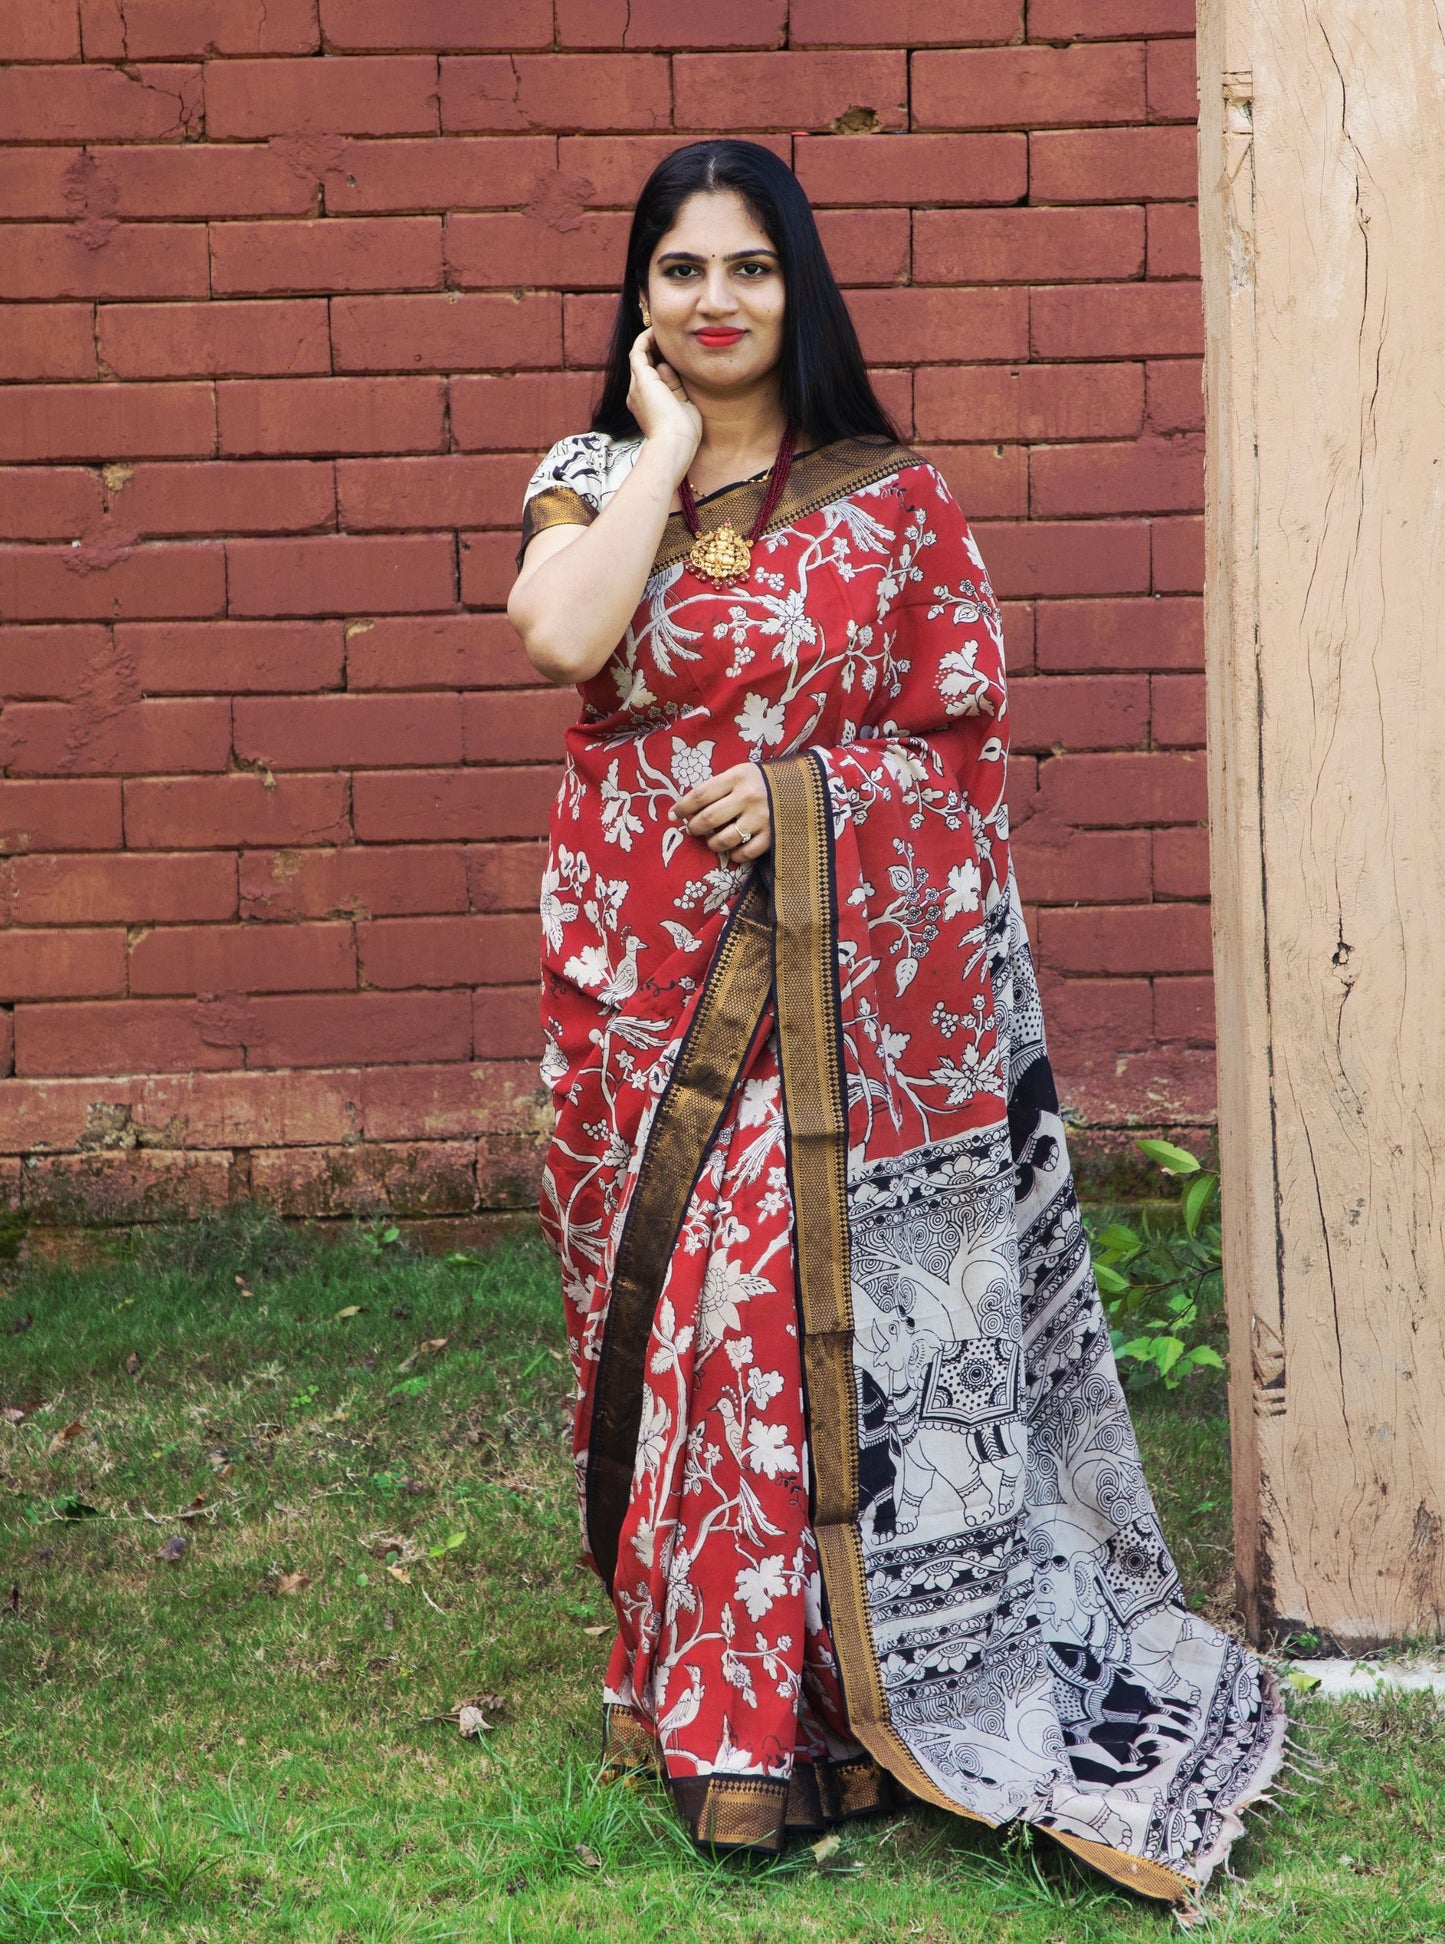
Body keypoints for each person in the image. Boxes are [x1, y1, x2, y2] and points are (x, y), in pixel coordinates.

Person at [507, 138, 1284, 1903]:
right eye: (681, 270)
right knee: (681, 1327)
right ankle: (699, 1685)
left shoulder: (898, 502)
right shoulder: (587, 472)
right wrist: (654, 459)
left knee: (782, 1322)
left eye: (749, 269)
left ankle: (803, 1722)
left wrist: (806, 798)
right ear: (640, 296)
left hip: (837, 990)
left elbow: (953, 757)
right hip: (637, 983)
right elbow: (560, 641)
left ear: (802, 288)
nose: (716, 302)